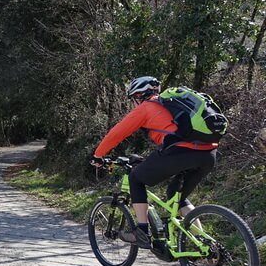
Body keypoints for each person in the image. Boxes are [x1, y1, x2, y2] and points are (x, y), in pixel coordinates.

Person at [90, 76, 218, 248]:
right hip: (208, 153)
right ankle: (205, 245)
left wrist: (98, 155)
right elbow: (171, 134)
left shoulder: (146, 107)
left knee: (136, 178)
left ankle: (142, 232)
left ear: (139, 95)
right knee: (177, 196)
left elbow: (117, 133)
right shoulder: (172, 105)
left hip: (181, 152)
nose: (134, 102)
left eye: (134, 98)